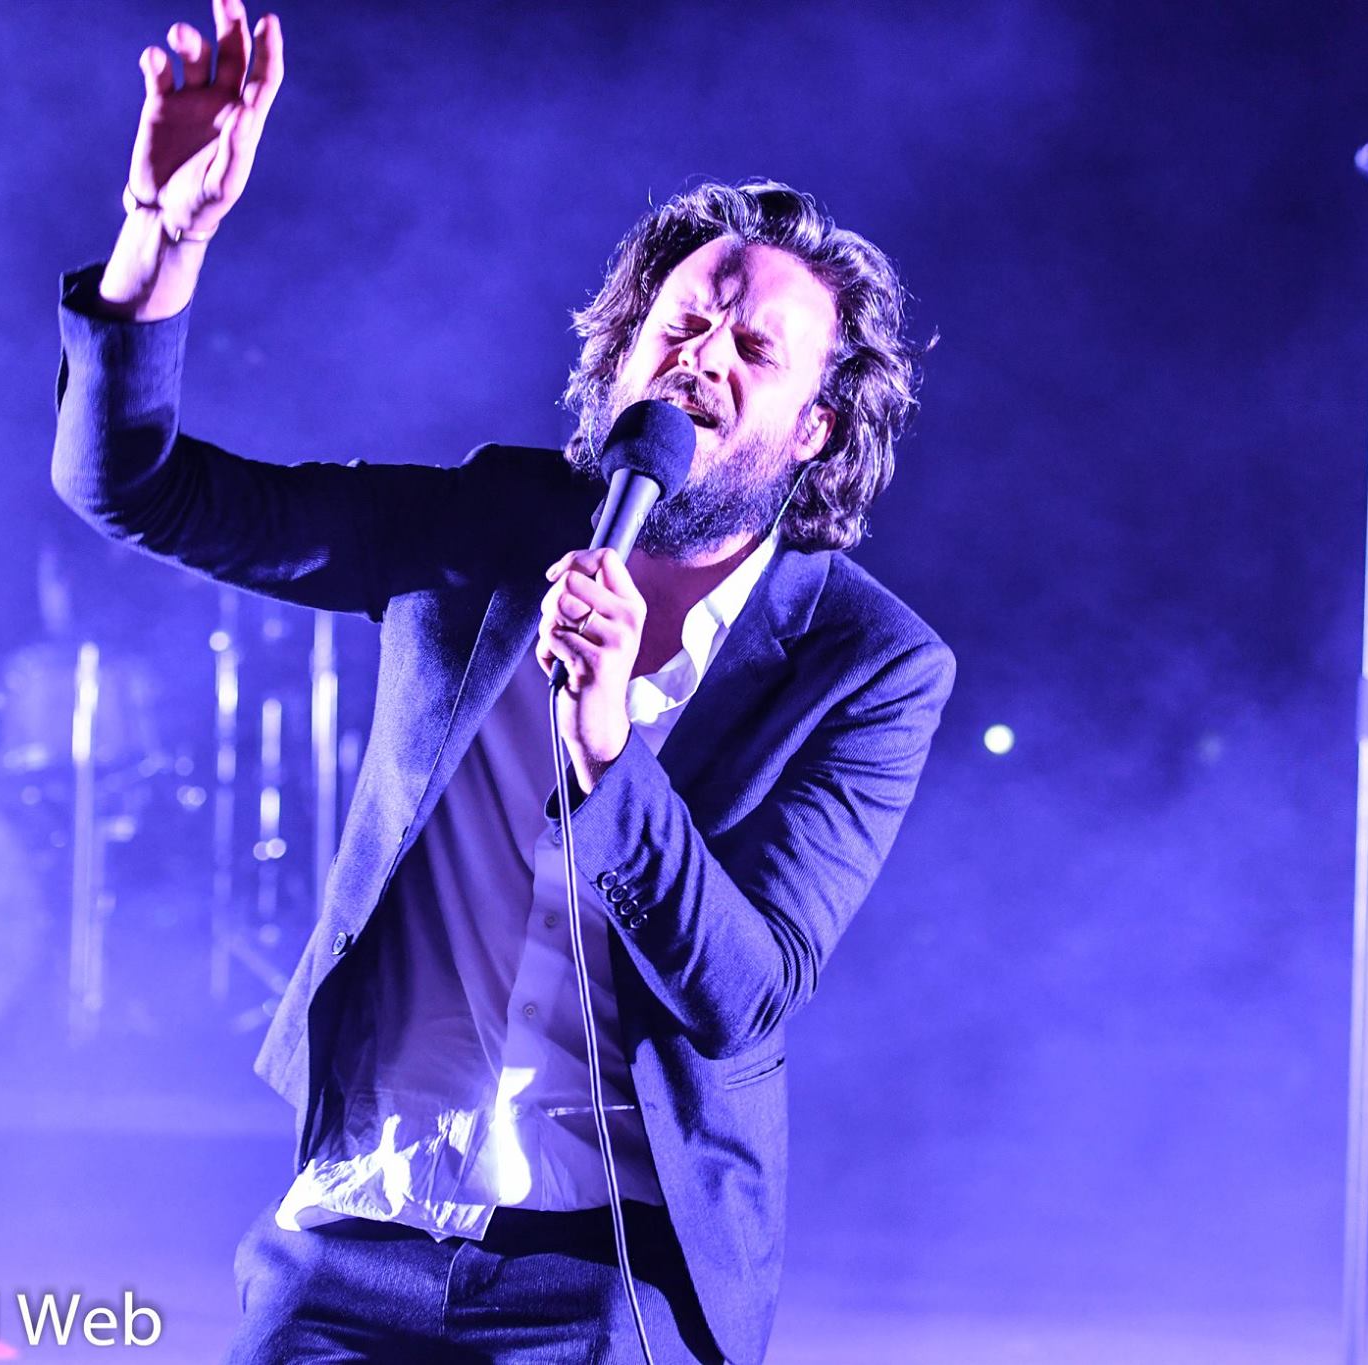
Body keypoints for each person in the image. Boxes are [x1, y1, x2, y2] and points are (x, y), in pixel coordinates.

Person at [51, 2, 955, 1360]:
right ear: (624, 353)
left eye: (754, 350)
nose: (702, 358)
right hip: (353, 1229)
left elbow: (744, 992)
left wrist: (608, 750)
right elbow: (137, 489)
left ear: (818, 427)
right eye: (680, 325)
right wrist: (159, 243)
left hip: (607, 1280)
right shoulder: (485, 525)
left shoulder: (868, 663)